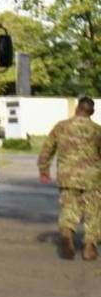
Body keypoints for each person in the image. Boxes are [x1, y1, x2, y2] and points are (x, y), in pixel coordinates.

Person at [38, 96, 101, 260]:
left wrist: (44, 169)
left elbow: (47, 149)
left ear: (77, 109)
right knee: (93, 211)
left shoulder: (61, 127)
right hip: (92, 178)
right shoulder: (97, 130)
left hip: (67, 176)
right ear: (92, 112)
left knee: (69, 207)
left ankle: (67, 233)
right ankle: (89, 246)